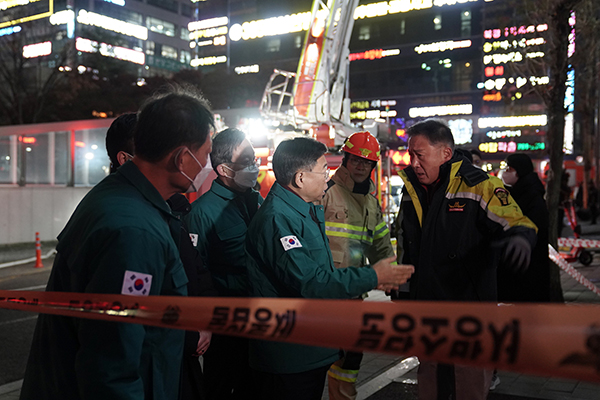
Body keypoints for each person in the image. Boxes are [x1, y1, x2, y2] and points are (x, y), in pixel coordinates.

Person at [20, 87, 215, 400]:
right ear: (181, 158)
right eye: (206, 154)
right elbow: (112, 362)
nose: (208, 165)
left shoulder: (121, 197)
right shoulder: (134, 231)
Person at [245, 136, 414, 400]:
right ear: (301, 179)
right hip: (290, 353)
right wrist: (373, 276)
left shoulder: (301, 210)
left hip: (311, 341)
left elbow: (377, 243)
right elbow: (311, 282)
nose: (328, 176)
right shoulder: (279, 219)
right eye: (324, 170)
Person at [394, 119, 537, 400]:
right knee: (431, 383)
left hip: (469, 309)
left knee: (467, 383)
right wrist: (403, 294)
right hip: (427, 308)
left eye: (419, 155)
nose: (413, 162)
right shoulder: (411, 190)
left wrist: (520, 237)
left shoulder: (481, 185)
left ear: (445, 153)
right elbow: (406, 248)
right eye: (410, 154)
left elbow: (517, 221)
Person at [105, 112, 217, 400]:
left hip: (171, 364)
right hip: (152, 373)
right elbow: (120, 344)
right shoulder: (134, 224)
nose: (207, 164)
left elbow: (194, 273)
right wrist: (191, 334)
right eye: (204, 153)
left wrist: (203, 322)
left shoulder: (165, 211)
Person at [185, 128, 263, 400]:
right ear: (224, 170)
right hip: (226, 325)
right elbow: (194, 273)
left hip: (260, 318)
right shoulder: (202, 213)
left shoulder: (257, 201)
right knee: (219, 388)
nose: (254, 167)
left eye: (255, 160)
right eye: (247, 162)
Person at [318, 131, 395, 400]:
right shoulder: (325, 193)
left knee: (351, 359)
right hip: (325, 293)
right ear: (346, 159)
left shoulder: (371, 203)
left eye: (367, 163)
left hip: (353, 293)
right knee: (321, 357)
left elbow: (381, 243)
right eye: (357, 161)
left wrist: (392, 276)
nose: (361, 167)